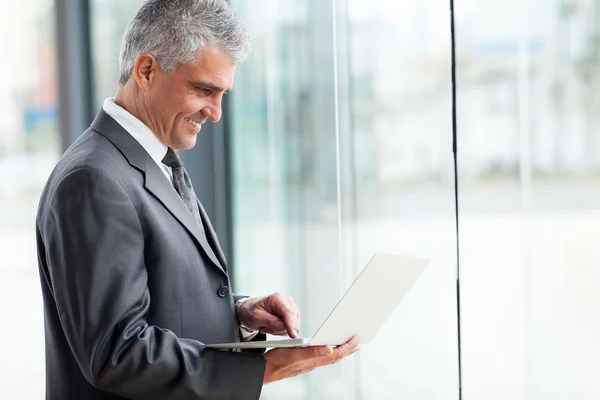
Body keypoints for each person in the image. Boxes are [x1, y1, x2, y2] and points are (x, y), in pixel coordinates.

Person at [35, 0, 359, 399]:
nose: (216, 112)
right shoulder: (94, 179)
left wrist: (239, 314)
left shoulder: (152, 161)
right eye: (204, 89)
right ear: (146, 71)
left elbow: (159, 298)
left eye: (222, 93)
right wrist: (260, 369)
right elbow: (116, 351)